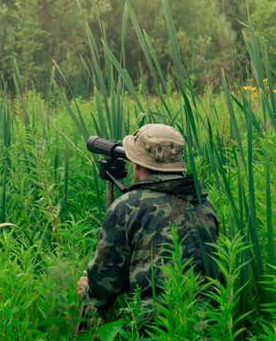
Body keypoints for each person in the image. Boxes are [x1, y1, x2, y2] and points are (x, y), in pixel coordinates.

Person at [76, 124, 219, 327]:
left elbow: (105, 287)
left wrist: (89, 290)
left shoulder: (128, 207)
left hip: (153, 326)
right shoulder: (204, 205)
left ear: (136, 163)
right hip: (206, 324)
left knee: (94, 307)